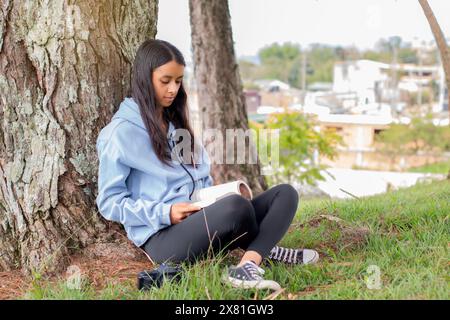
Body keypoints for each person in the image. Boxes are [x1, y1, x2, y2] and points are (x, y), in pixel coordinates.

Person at [96, 39, 319, 291]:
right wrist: (165, 212)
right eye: (165, 80)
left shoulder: (176, 126)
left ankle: (249, 262)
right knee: (237, 208)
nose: (173, 89)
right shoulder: (120, 133)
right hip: (162, 236)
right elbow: (109, 202)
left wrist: (215, 197)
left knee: (284, 193)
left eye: (178, 81)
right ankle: (262, 244)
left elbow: (200, 179)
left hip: (198, 218)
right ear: (144, 78)